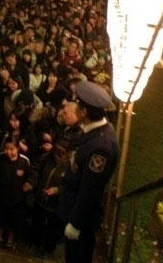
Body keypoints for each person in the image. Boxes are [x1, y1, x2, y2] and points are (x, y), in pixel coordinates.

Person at [58, 81, 119, 263]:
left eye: (77, 105)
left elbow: (90, 190)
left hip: (81, 218)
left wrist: (75, 223)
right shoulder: (94, 130)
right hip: (73, 208)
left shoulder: (101, 148)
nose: (72, 106)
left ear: (84, 113)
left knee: (78, 257)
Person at [0, 134, 30, 250]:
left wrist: (25, 191)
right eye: (6, 149)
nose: (9, 152)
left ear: (17, 148)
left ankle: (10, 240)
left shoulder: (24, 161)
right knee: (1, 219)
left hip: (18, 199)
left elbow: (29, 178)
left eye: (12, 149)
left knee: (14, 221)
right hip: (2, 196)